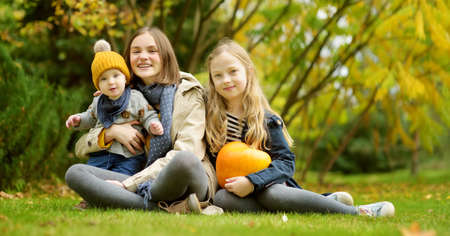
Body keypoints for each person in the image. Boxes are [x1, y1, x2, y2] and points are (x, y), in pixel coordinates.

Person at [205, 39, 395, 217]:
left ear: (248, 71)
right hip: (234, 192)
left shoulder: (266, 119)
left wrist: (252, 182)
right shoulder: (210, 118)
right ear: (212, 80)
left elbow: (286, 162)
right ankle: (319, 202)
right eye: (218, 75)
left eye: (233, 71)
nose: (226, 80)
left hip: (270, 186)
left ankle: (356, 212)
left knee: (271, 196)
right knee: (222, 199)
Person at [65, 27, 219, 214]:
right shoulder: (119, 94)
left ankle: (122, 198)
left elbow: (189, 150)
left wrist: (131, 183)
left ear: (165, 55)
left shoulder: (188, 93)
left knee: (183, 160)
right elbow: (81, 147)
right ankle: (165, 208)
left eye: (152, 51)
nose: (143, 57)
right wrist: (111, 132)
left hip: (184, 180)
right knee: (75, 173)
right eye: (136, 51)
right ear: (128, 58)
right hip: (137, 178)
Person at [66, 39, 163, 176]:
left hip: (128, 156)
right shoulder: (98, 101)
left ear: (125, 77)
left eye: (116, 75)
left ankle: (113, 193)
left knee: (122, 178)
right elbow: (90, 117)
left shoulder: (135, 98)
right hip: (100, 154)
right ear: (98, 85)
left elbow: (148, 114)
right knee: (88, 175)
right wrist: (78, 119)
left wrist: (153, 124)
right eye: (103, 79)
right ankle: (94, 193)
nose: (111, 82)